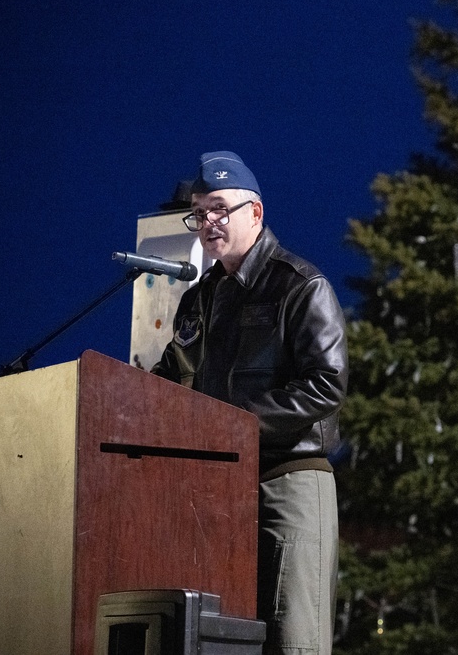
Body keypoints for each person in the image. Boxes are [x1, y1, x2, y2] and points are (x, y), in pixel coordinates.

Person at [152, 151, 348, 655]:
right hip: (218, 488)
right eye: (199, 213)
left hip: (288, 483)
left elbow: (326, 385)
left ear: (255, 213)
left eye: (219, 208)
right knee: (224, 639)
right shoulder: (200, 297)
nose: (207, 223)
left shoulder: (300, 284)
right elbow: (172, 378)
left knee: (293, 639)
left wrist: (234, 427)